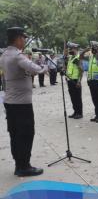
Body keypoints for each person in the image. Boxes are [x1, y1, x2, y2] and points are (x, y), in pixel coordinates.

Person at [0, 27, 48, 177]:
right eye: (23, 38)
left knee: (15, 134)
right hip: (21, 104)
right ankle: (24, 166)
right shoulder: (17, 56)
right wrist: (45, 66)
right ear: (18, 38)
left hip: (11, 102)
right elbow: (37, 69)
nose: (25, 41)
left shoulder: (4, 55)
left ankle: (18, 164)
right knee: (26, 133)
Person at [80, 41, 98, 123]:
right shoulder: (91, 57)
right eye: (92, 48)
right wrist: (85, 50)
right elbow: (81, 57)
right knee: (95, 99)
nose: (92, 49)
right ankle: (97, 115)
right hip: (91, 81)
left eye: (94, 48)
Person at [64, 42, 83, 119]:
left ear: (75, 49)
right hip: (70, 79)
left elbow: (81, 71)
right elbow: (68, 68)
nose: (69, 50)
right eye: (69, 49)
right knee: (73, 97)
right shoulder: (70, 57)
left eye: (71, 49)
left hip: (75, 80)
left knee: (77, 98)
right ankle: (75, 112)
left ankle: (79, 113)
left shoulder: (78, 57)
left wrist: (79, 81)